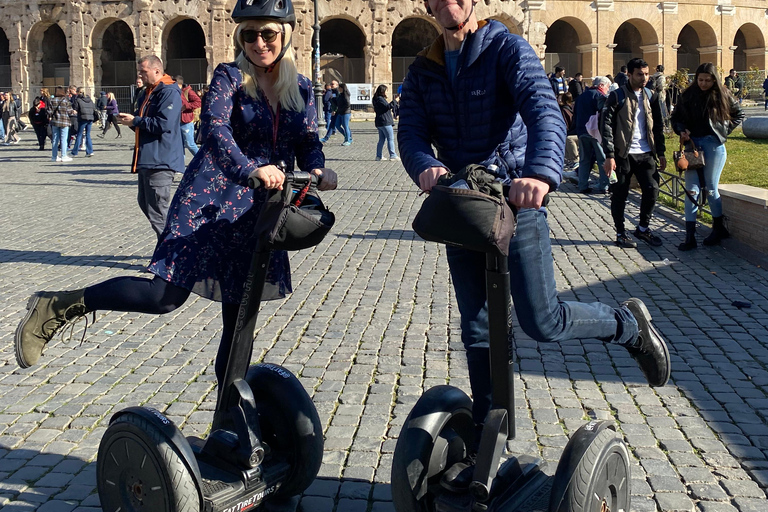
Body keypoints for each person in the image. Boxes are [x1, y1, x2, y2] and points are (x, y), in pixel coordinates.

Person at [13, 0, 338, 401]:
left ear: (285, 36)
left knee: (240, 317)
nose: (259, 42)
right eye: (249, 34)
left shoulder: (302, 87)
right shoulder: (230, 76)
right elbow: (215, 129)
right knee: (164, 296)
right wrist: (249, 169)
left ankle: (228, 419)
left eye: (268, 33)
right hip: (210, 197)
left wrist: (319, 169)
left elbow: (307, 140)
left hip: (259, 209)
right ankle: (57, 306)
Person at [398, 0, 671, 452]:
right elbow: (410, 133)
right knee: (478, 327)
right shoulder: (424, 70)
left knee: (543, 321)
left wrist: (541, 174)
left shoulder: (506, 48)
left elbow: (543, 111)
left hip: (515, 200)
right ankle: (492, 440)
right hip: (463, 208)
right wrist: (425, 165)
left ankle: (628, 326)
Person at [672, 62, 744, 251]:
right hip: (692, 145)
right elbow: (676, 117)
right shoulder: (687, 95)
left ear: (714, 80)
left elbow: (739, 114)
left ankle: (718, 228)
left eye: (707, 80)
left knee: (711, 188)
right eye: (700, 79)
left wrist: (724, 130)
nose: (703, 83)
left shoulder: (723, 94)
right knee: (692, 190)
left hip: (713, 145)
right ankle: (690, 236)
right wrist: (681, 130)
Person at [601, 58, 666, 249]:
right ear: (629, 74)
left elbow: (659, 126)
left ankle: (643, 228)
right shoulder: (617, 96)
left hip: (646, 153)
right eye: (640, 74)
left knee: (652, 189)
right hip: (623, 154)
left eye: (646, 74)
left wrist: (660, 152)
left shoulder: (651, 95)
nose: (644, 78)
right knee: (619, 194)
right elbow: (606, 125)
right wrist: (609, 154)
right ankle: (621, 232)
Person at [117, 55, 183, 239]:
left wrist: (136, 120)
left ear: (156, 70)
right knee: (145, 203)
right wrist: (131, 122)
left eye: (143, 72)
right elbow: (145, 124)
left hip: (161, 159)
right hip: (147, 158)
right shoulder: (148, 92)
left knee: (157, 210)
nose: (140, 75)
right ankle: (168, 248)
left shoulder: (168, 91)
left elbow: (164, 124)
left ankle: (171, 253)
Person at [573, 76, 610, 193]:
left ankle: (582, 185)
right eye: (607, 87)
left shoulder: (581, 96)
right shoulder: (600, 96)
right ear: (601, 85)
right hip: (595, 132)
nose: (608, 90)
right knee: (601, 159)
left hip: (581, 131)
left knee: (584, 160)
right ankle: (604, 185)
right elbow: (603, 114)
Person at [176, 75, 202, 156]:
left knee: (190, 144)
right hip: (177, 122)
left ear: (179, 84)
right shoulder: (176, 92)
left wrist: (186, 106)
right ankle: (180, 166)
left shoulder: (188, 91)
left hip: (186, 121)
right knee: (180, 146)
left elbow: (198, 102)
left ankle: (200, 159)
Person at [372, 84, 399, 161]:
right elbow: (387, 107)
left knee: (381, 139)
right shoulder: (380, 99)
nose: (388, 92)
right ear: (383, 91)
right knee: (390, 139)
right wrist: (395, 101)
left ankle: (379, 156)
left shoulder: (377, 99)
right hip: (385, 122)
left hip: (380, 122)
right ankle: (393, 155)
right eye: (387, 91)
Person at [48, 86, 74, 161]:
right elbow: (69, 111)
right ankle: (63, 155)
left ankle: (54, 156)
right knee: (63, 139)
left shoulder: (52, 100)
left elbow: (49, 112)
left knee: (55, 140)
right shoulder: (65, 100)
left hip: (55, 121)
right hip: (64, 121)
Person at [71, 87, 96, 157]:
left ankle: (74, 152)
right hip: (90, 118)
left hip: (82, 118)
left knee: (79, 135)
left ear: (78, 92)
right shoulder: (90, 100)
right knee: (88, 135)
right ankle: (90, 151)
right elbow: (93, 108)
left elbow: (75, 110)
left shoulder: (78, 100)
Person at [559, 92, 578, 172]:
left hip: (573, 131)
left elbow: (565, 123)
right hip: (576, 130)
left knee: (568, 139)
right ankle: (570, 159)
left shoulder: (564, 109)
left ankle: (574, 160)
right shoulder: (573, 107)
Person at [67, 85, 79, 150]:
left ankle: (77, 144)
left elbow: (74, 105)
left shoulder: (76, 97)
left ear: (73, 90)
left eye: (70, 90)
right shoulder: (72, 97)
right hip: (72, 115)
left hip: (74, 115)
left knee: (75, 130)